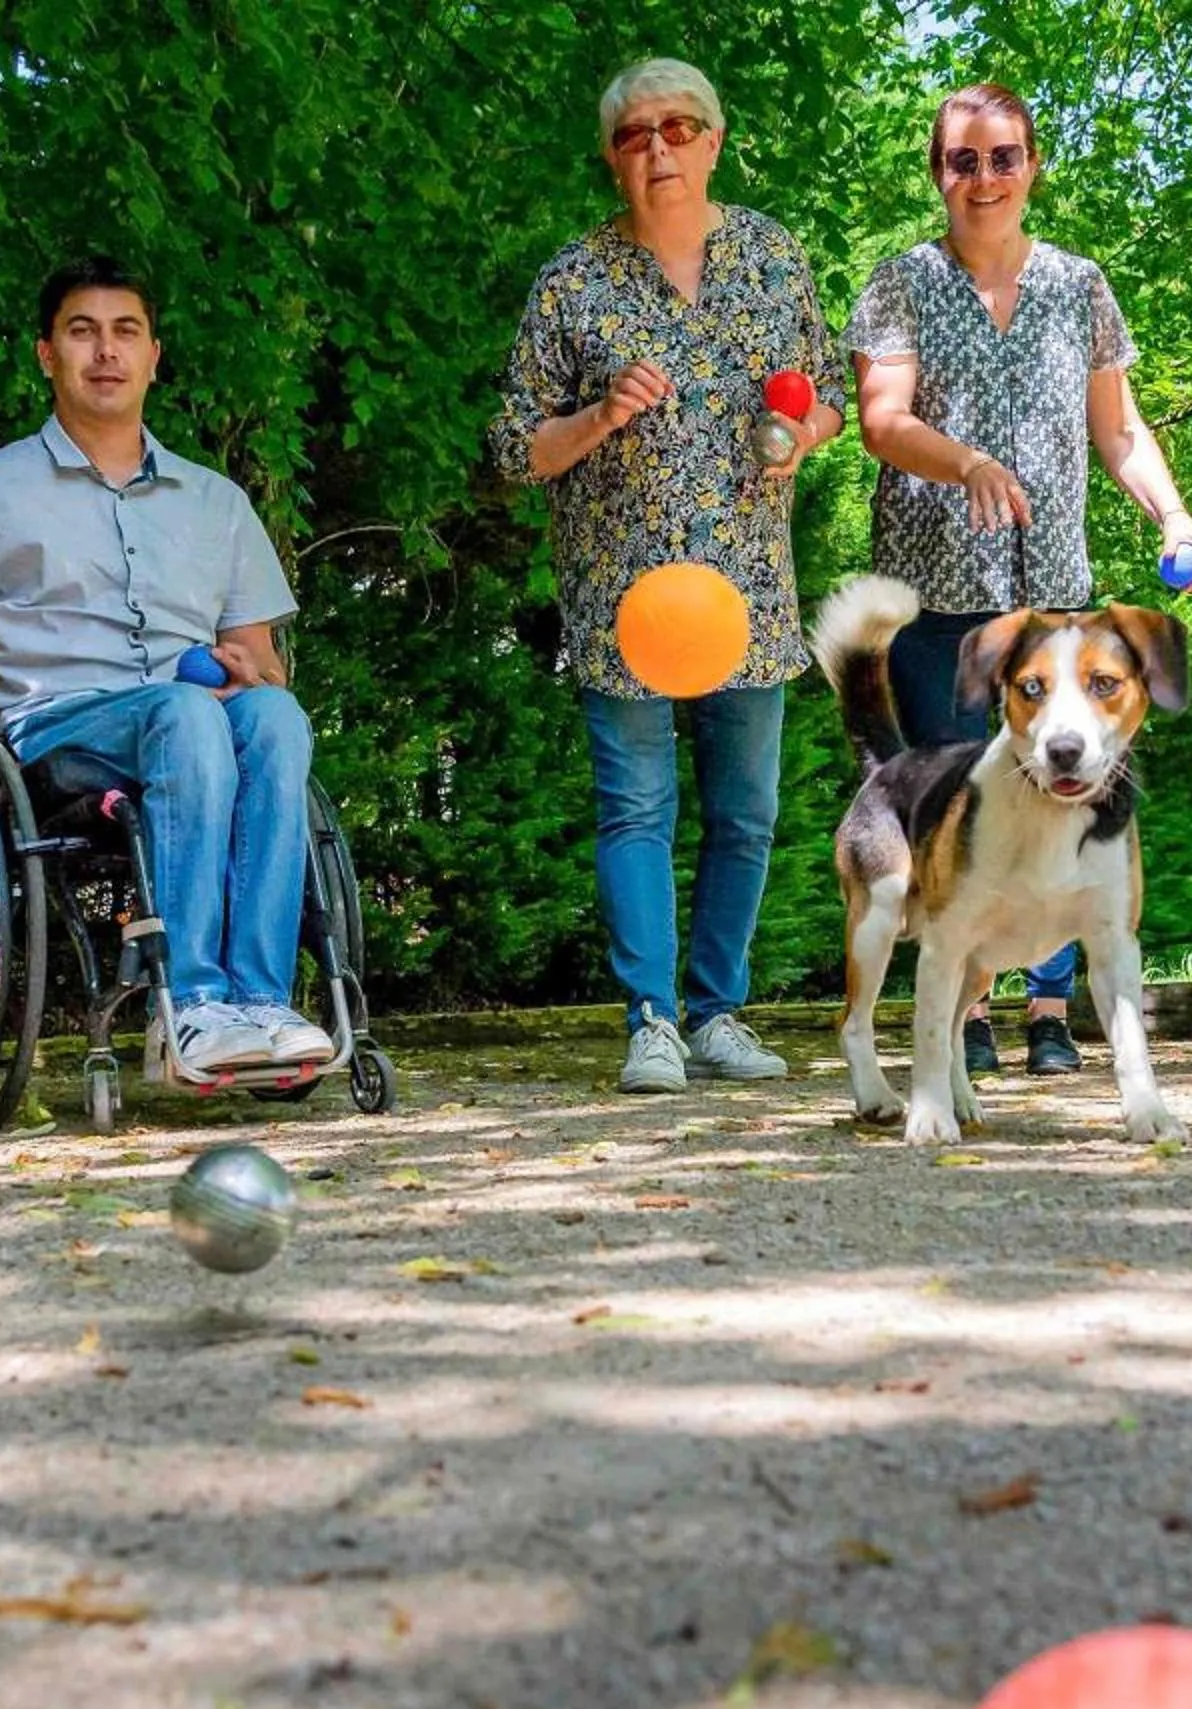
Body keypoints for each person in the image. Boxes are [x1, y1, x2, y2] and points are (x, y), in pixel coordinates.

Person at [847, 82, 1192, 1081]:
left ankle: (1052, 1012)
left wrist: (1176, 516)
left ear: (1032, 166)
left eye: (1003, 157)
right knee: (958, 819)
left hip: (1053, 600)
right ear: (939, 173)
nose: (984, 178)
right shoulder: (899, 283)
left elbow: (1120, 430)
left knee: (1072, 793)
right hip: (940, 601)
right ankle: (966, 1015)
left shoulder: (1080, 285)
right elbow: (882, 421)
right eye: (963, 160)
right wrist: (966, 462)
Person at [0, 256, 330, 1086]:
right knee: (186, 717)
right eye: (82, 332)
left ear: (155, 355)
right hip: (55, 732)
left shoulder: (216, 502)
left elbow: (262, 662)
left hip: (193, 721)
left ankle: (261, 1002)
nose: (106, 352)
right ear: (47, 354)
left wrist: (246, 669)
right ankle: (188, 1006)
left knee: (276, 719)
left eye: (126, 333)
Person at [492, 58, 846, 1095]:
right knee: (635, 814)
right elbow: (515, 451)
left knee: (745, 814)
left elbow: (829, 396)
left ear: (714, 140)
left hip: (749, 593)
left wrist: (801, 434)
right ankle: (651, 1021)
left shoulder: (774, 259)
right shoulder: (573, 282)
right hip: (623, 598)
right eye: (636, 133)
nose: (659, 148)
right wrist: (599, 416)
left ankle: (717, 1014)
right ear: (612, 158)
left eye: (679, 127)